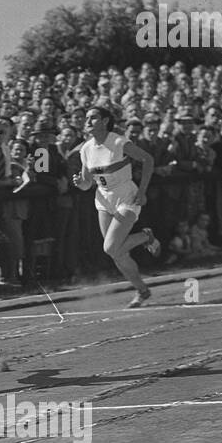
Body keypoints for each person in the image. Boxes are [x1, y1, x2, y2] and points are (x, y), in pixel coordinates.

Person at [72, 105, 160, 307]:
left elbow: (148, 160)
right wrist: (80, 183)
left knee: (110, 247)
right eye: (86, 118)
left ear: (104, 121)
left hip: (126, 197)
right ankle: (142, 291)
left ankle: (146, 236)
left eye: (93, 118)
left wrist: (142, 190)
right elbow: (87, 183)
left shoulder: (119, 141)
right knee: (117, 253)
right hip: (103, 200)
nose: (87, 122)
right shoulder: (85, 149)